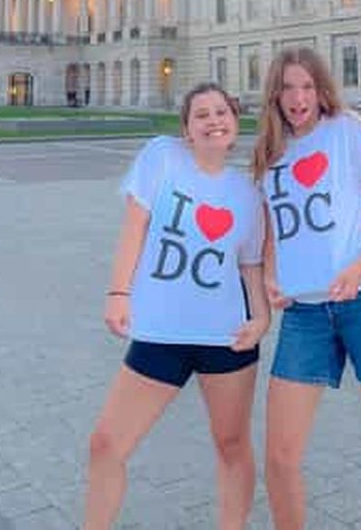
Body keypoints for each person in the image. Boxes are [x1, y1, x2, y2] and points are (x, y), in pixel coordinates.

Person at [83, 82, 270, 530]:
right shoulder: (162, 157)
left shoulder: (247, 193)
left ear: (235, 121)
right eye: (201, 114)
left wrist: (262, 316)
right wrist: (118, 292)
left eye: (221, 112)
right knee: (107, 444)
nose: (213, 121)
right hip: (160, 333)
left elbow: (250, 266)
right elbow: (134, 225)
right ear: (186, 129)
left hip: (226, 336)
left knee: (231, 444)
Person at [252, 48, 361, 530]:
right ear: (275, 94)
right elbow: (272, 229)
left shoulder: (346, 130)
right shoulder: (270, 151)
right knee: (281, 456)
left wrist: (358, 266)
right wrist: (268, 275)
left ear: (321, 89)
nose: (298, 97)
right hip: (305, 314)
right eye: (288, 87)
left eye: (307, 86)